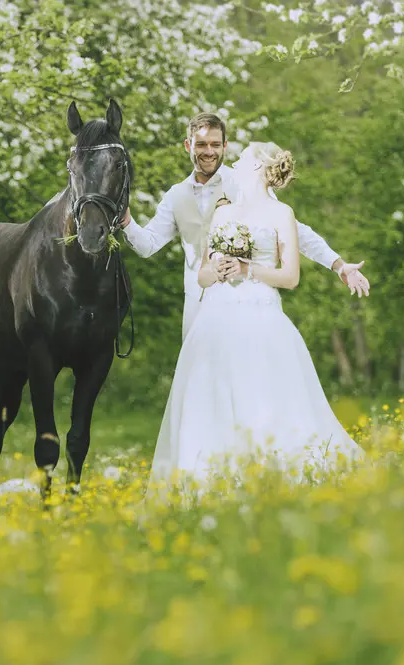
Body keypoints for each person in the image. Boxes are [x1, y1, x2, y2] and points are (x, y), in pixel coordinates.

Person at [148, 141, 363, 486]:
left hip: (262, 317)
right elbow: (203, 273)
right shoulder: (221, 213)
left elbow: (292, 272)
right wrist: (217, 272)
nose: (234, 161)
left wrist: (251, 270)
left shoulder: (281, 214)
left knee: (263, 398)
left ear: (260, 167)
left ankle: (271, 478)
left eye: (244, 156)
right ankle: (205, 481)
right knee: (209, 400)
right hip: (215, 320)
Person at [119, 112, 369, 341]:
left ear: (225, 146)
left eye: (215, 144)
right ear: (188, 146)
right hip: (197, 307)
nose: (209, 151)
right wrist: (127, 222)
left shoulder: (247, 182)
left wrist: (338, 265)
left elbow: (294, 230)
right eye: (201, 144)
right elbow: (147, 245)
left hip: (244, 304)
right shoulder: (176, 196)